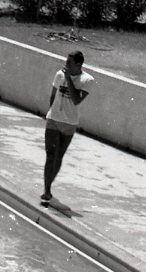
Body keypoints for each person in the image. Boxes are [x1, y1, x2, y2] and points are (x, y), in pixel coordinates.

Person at [42, 51, 93, 208]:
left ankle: (49, 182)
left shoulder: (87, 80)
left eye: (70, 63)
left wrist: (69, 79)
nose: (66, 65)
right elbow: (53, 95)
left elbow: (77, 99)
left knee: (59, 157)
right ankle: (47, 190)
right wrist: (51, 113)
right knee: (51, 155)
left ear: (79, 64)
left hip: (69, 123)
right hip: (54, 120)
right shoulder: (59, 75)